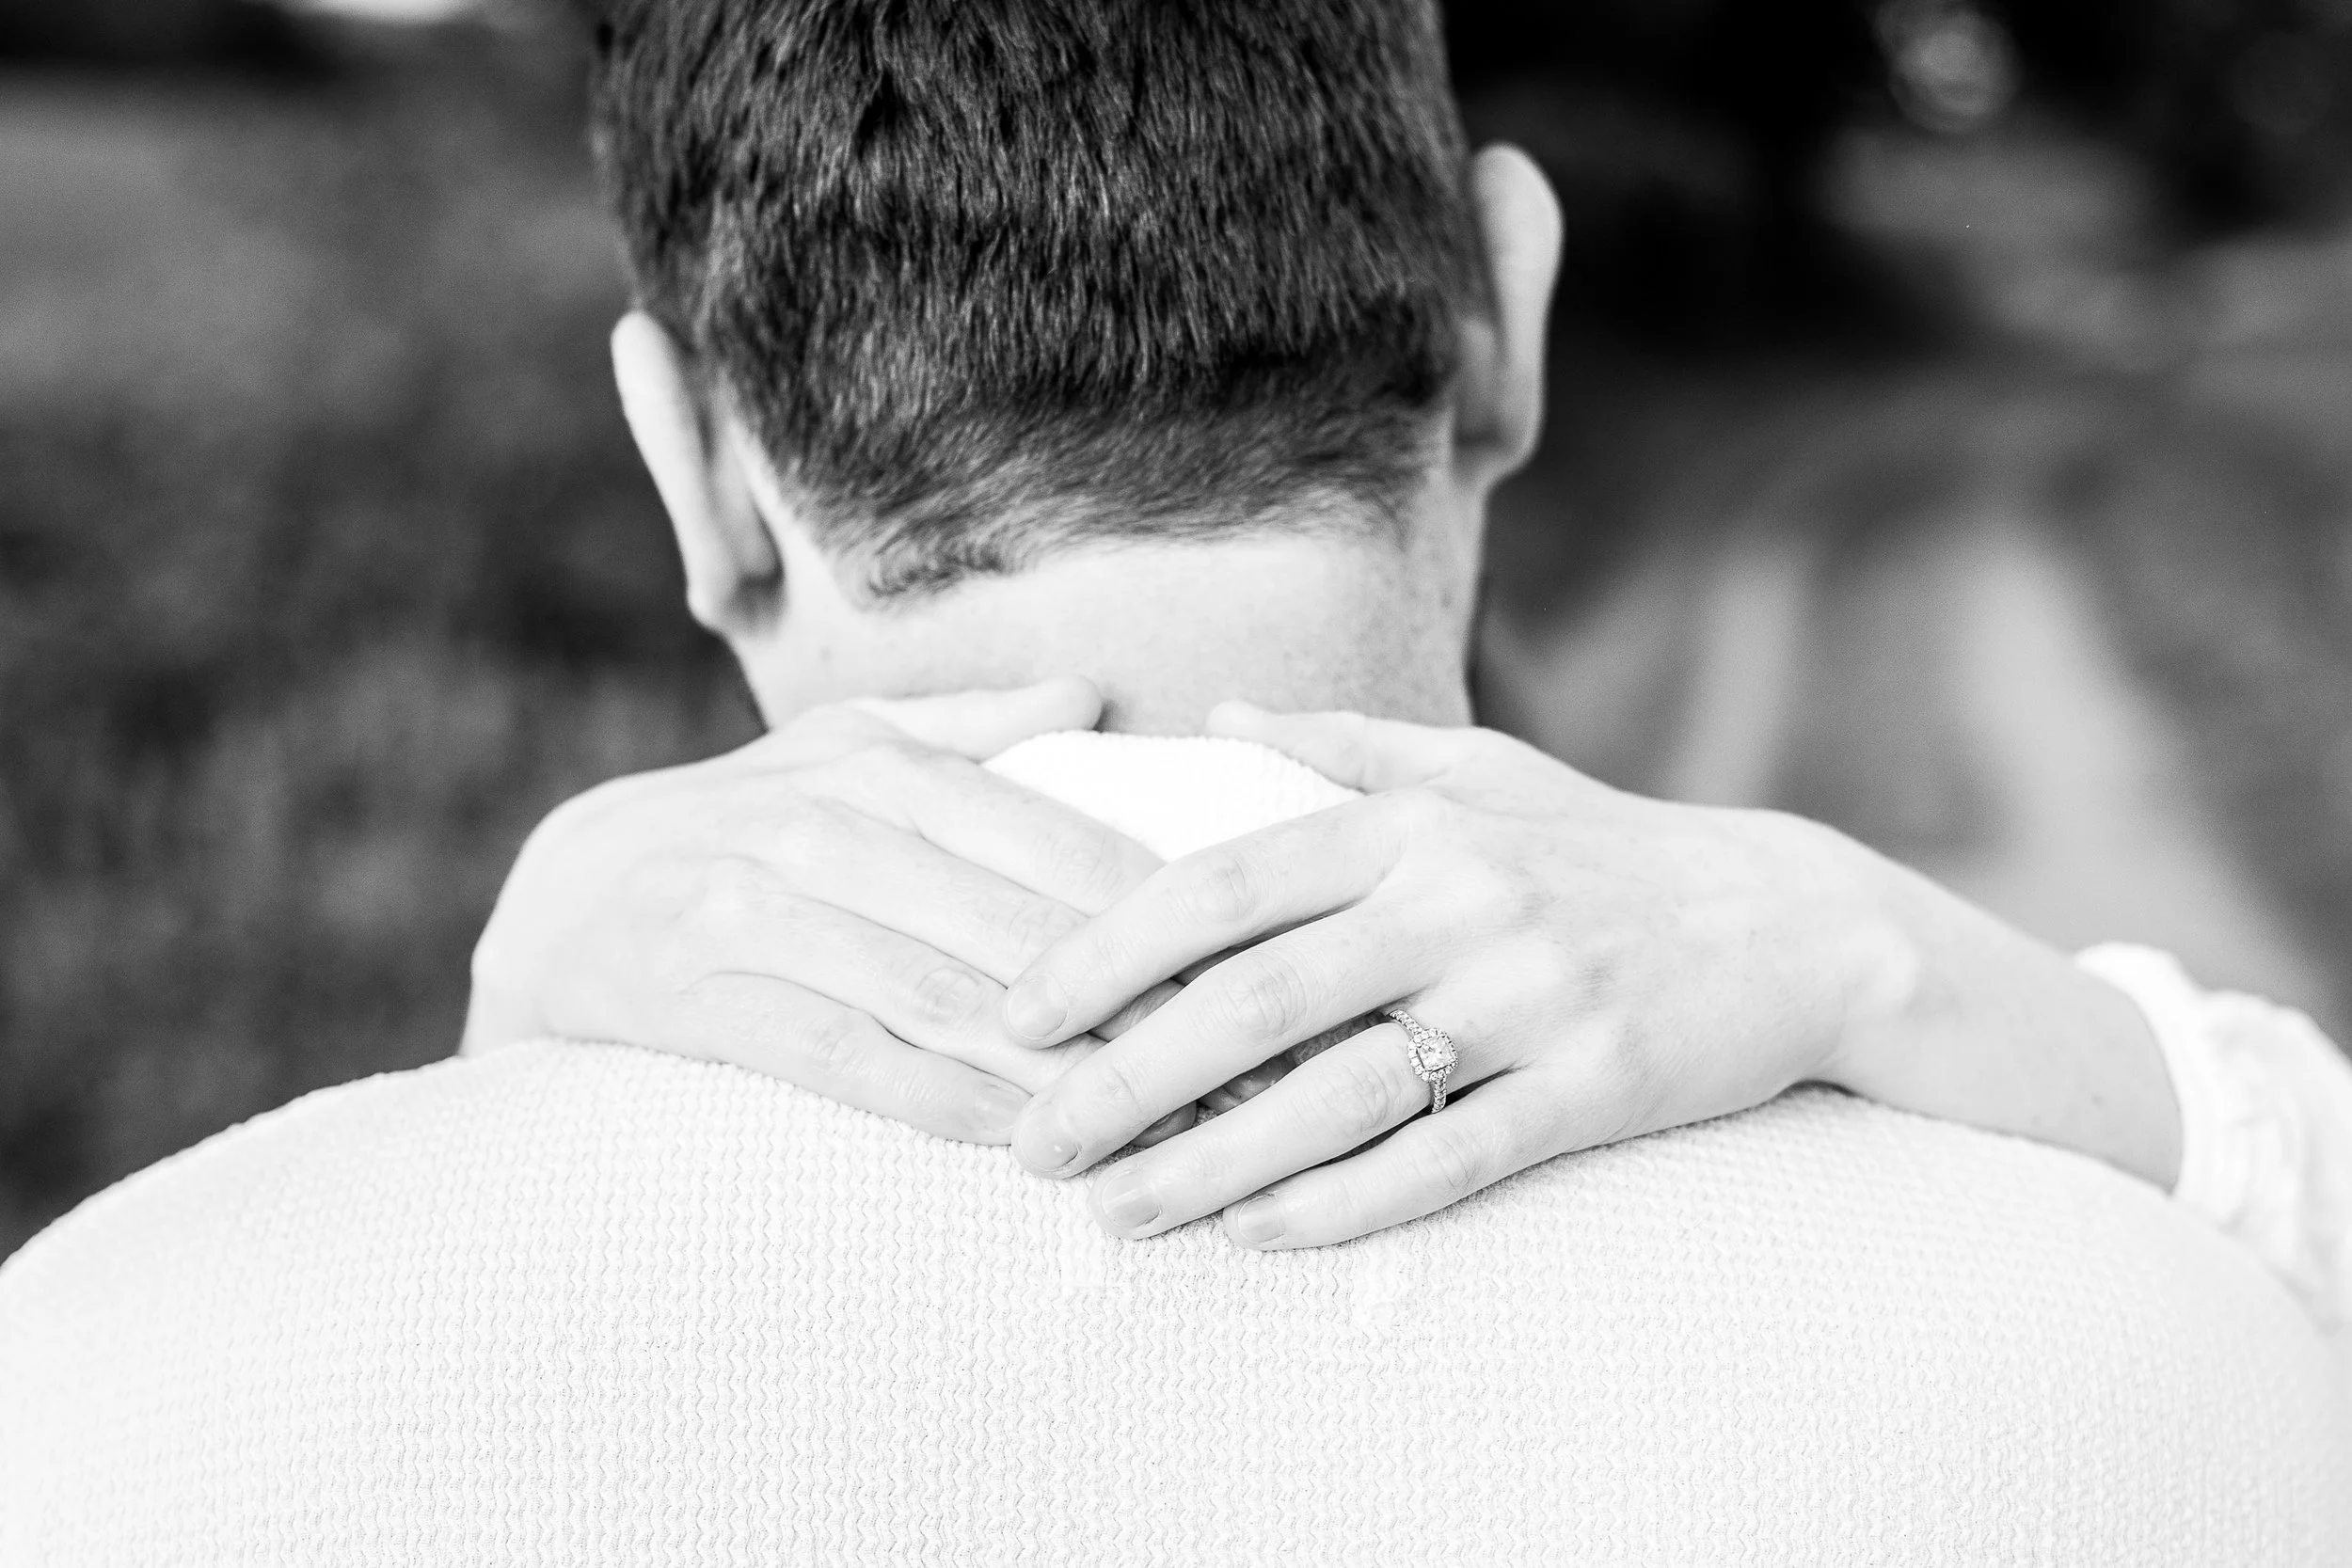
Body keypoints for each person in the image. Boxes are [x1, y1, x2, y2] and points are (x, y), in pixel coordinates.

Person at [4, 0, 2345, 1559]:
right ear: (1503, 324)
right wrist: (1991, 1004)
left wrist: (465, 1077)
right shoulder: (2172, 1371)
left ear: (691, 459)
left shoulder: (104, 1391)